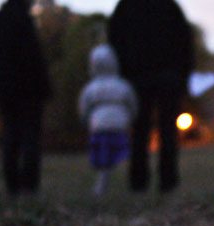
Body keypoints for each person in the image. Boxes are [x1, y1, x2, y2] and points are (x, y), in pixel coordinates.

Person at [109, 0, 195, 194]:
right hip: (163, 78)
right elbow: (185, 42)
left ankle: (141, 182)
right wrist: (183, 76)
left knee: (142, 131)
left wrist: (124, 72)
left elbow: (114, 40)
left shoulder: (126, 7)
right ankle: (166, 181)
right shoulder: (169, 7)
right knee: (163, 131)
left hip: (142, 79)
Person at [0, 0, 52, 199]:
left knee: (11, 136)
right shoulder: (23, 21)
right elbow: (34, 58)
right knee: (30, 137)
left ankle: (13, 185)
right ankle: (29, 186)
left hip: (7, 90)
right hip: (28, 90)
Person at [79, 44, 138, 197]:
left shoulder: (91, 88)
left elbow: (84, 106)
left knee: (104, 159)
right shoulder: (122, 85)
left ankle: (103, 185)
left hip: (99, 126)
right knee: (119, 155)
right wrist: (131, 118)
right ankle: (126, 185)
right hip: (119, 124)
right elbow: (132, 103)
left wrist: (85, 120)